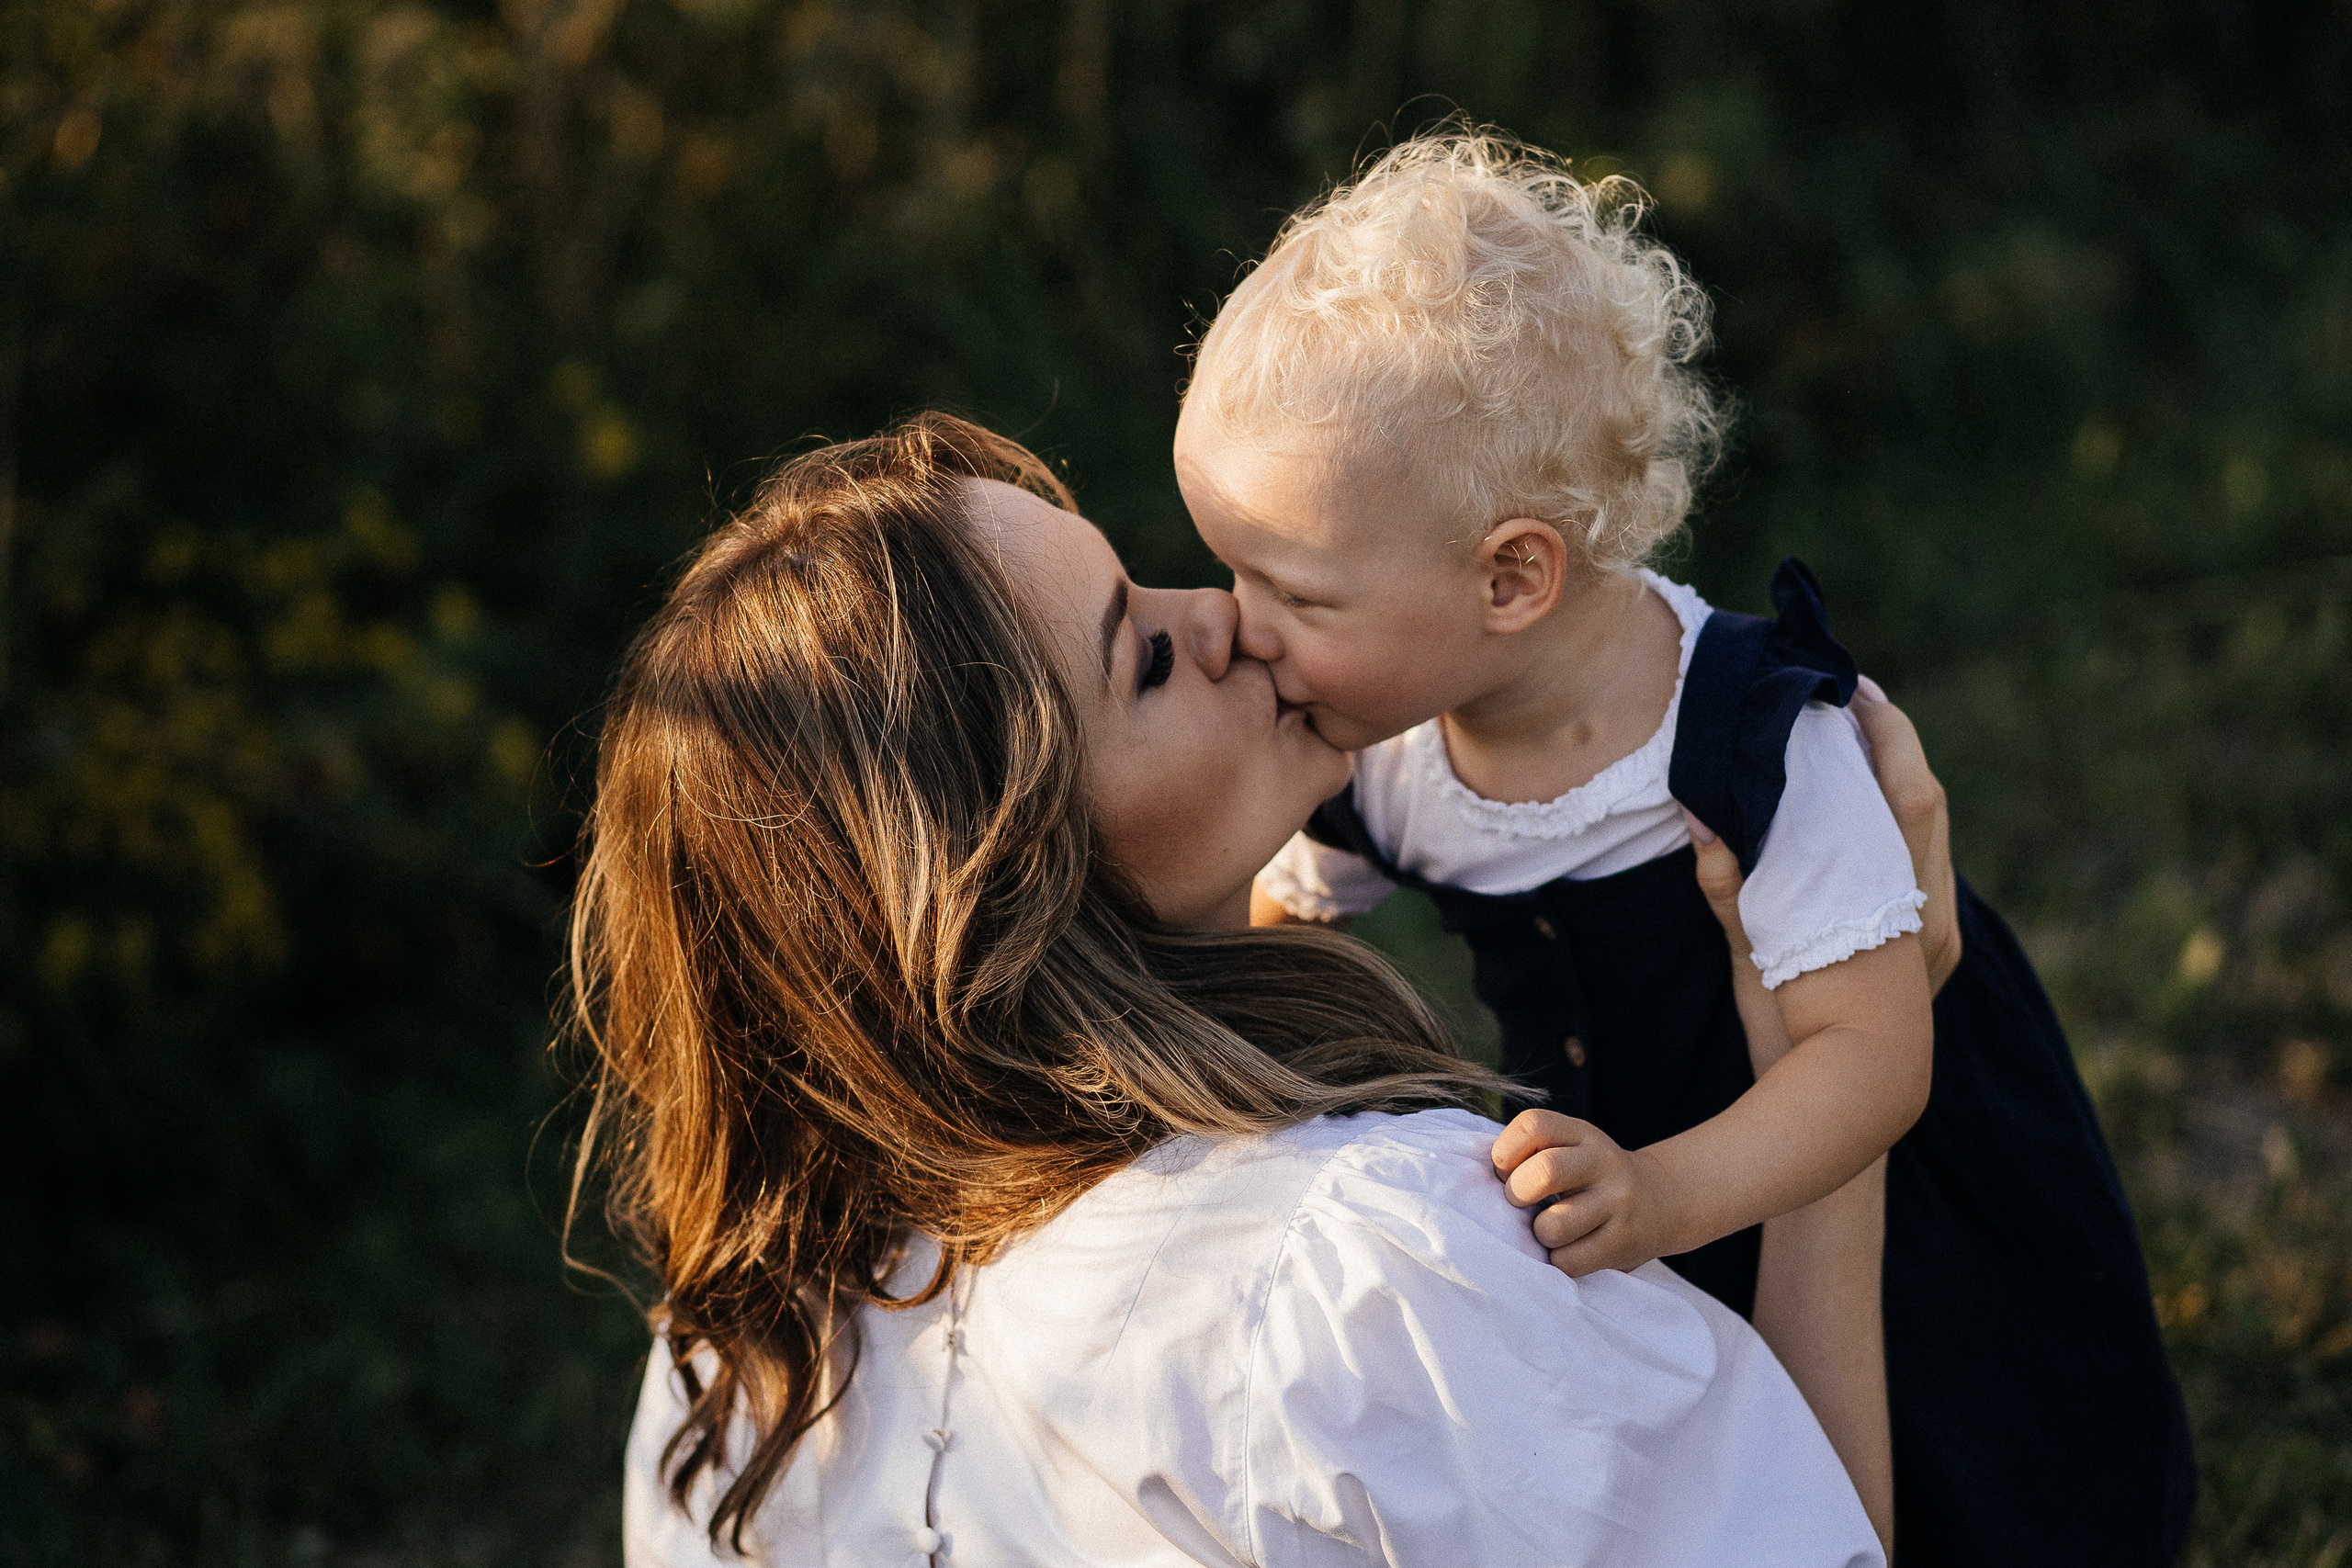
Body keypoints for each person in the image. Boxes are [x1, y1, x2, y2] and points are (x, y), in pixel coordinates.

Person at [574, 414, 1897, 1567]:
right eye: (1143, 658)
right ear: (1011, 888)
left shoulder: (738, 1362)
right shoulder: (1372, 1285)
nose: (1216, 613)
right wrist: (1836, 1084)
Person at [1182, 129, 2194, 1564]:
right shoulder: (1384, 753)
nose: (1241, 625)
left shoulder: (1755, 741)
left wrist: (1665, 1192)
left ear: (1511, 577)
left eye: (1292, 591)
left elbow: (1871, 1059)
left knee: (1979, 1448)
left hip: (1849, 1164)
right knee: (1705, 1437)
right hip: (1625, 1175)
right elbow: (1283, 942)